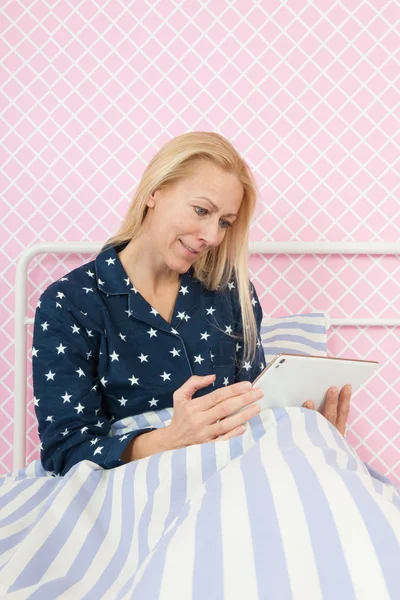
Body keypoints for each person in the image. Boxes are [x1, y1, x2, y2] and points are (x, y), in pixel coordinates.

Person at [32, 131, 352, 477]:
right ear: (155, 192)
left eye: (224, 222)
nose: (213, 237)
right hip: (134, 483)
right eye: (201, 210)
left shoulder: (231, 290)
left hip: (234, 473)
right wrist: (170, 439)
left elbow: (252, 411)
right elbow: (65, 450)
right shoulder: (71, 301)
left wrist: (307, 431)